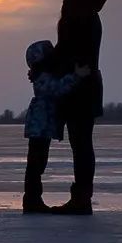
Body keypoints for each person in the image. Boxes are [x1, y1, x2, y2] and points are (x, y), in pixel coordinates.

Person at [50, 0, 107, 215]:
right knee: (81, 143)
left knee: (81, 143)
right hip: (84, 85)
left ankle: (82, 198)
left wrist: (46, 65)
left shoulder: (80, 19)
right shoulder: (86, 18)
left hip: (80, 87)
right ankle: (81, 196)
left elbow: (69, 53)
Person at [22, 40, 91, 213]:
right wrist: (77, 76)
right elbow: (58, 88)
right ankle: (32, 200)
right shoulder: (43, 77)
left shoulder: (42, 75)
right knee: (36, 164)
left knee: (37, 163)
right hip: (40, 127)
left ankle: (33, 199)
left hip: (42, 127)